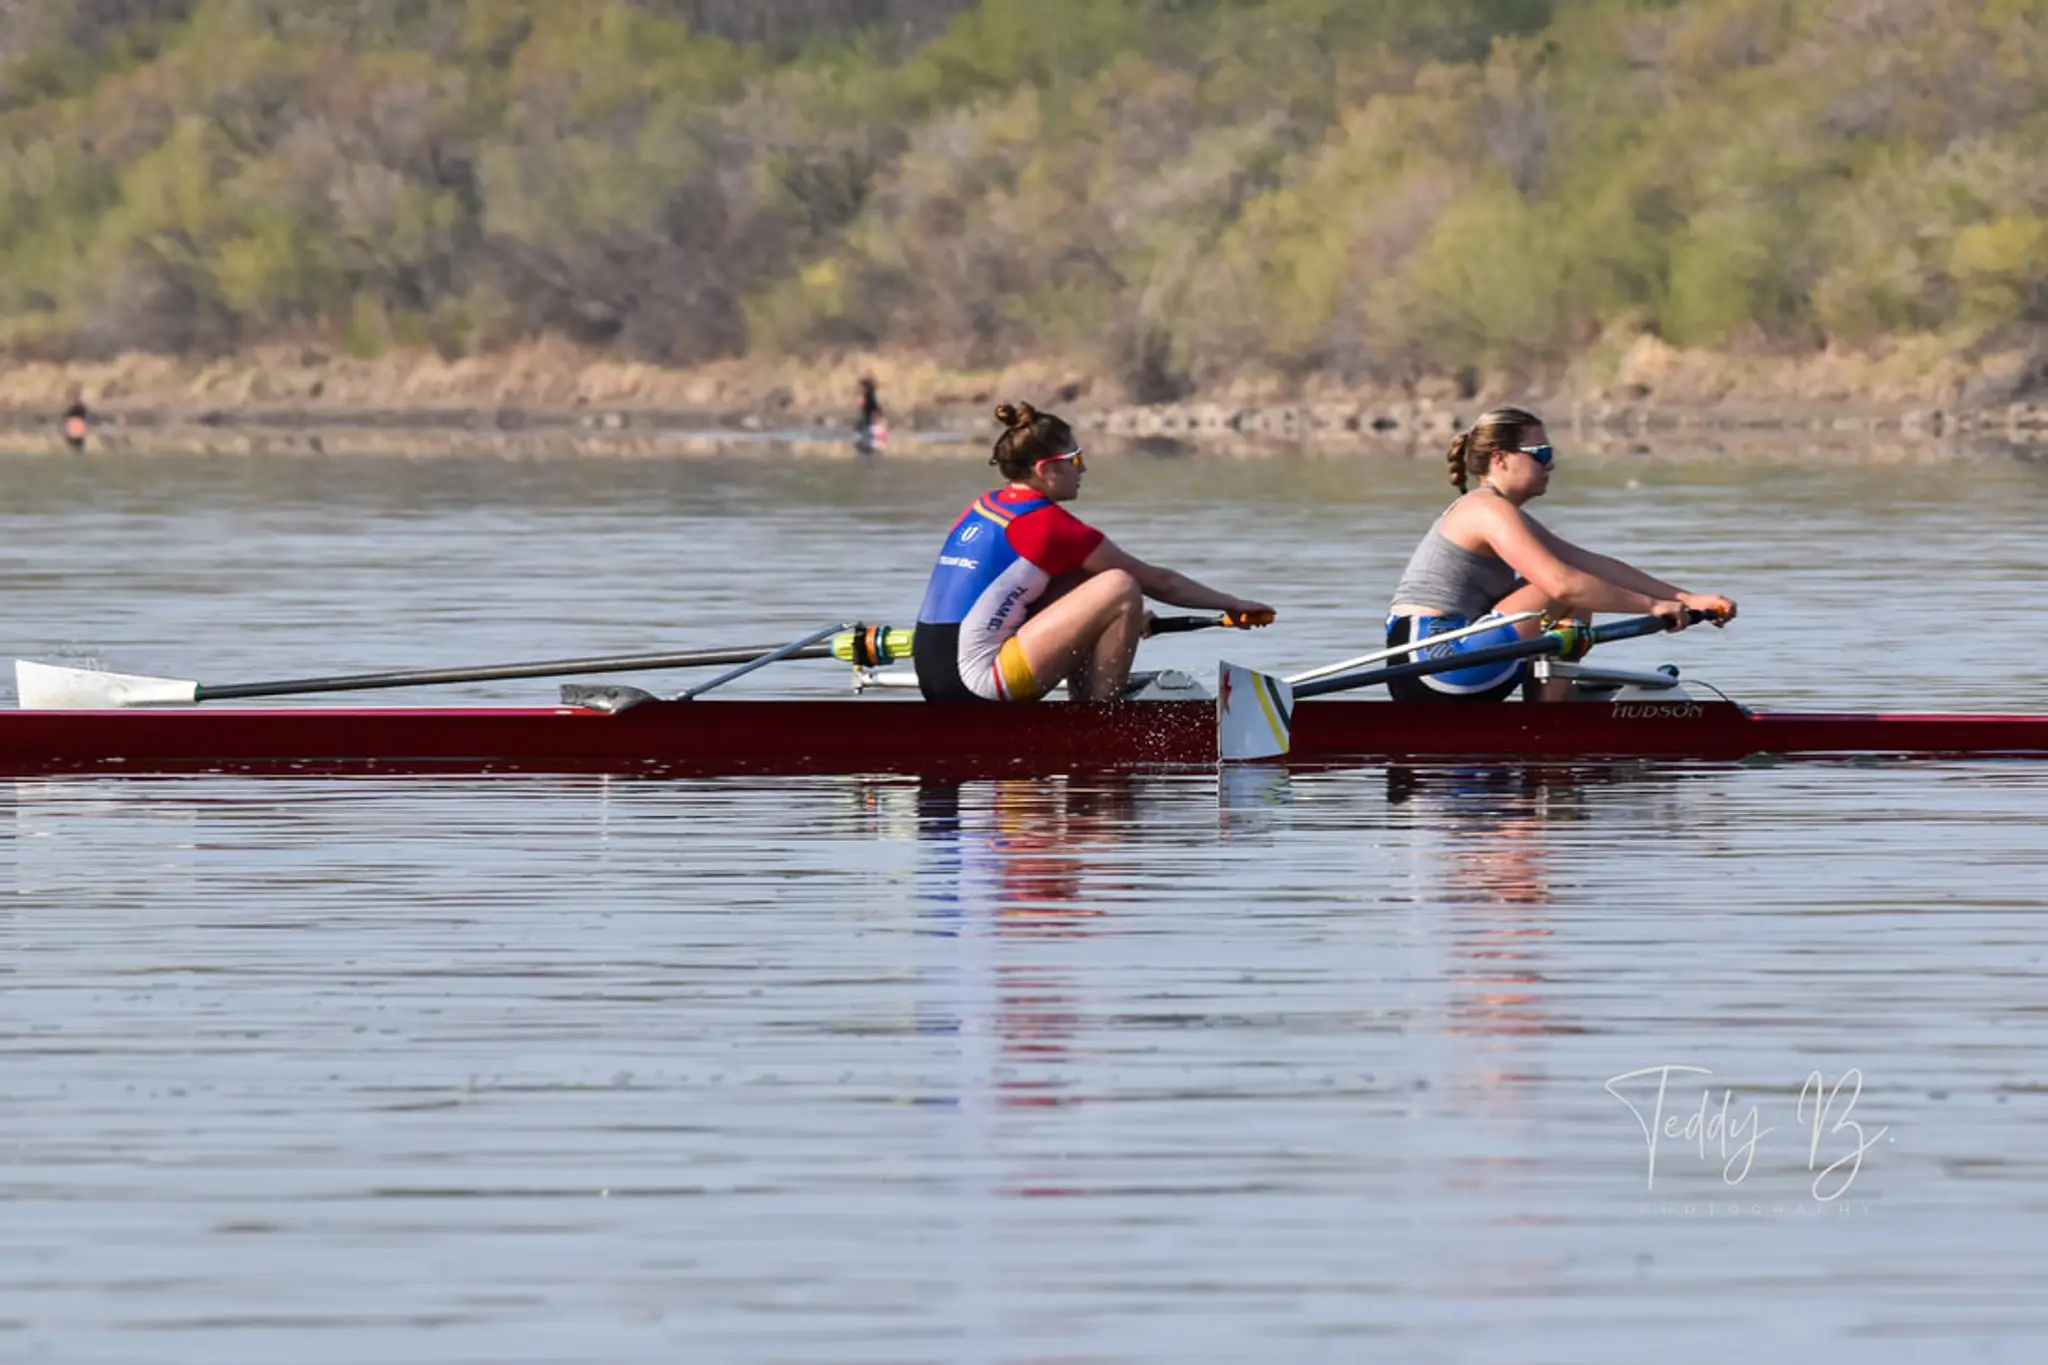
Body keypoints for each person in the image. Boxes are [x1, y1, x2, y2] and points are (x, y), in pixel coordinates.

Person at [914, 402, 1274, 704]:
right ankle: (1101, 718)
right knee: (1120, 586)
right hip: (978, 682)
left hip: (935, 673)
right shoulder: (1046, 524)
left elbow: (1015, 599)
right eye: (1074, 458)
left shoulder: (982, 507)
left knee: (1088, 583)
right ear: (1045, 469)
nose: (1082, 468)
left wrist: (1111, 622)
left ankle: (1090, 701)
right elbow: (1159, 582)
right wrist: (1233, 603)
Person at [1385, 406, 1737, 702]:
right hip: (1434, 663)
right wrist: (1651, 607)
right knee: (1567, 588)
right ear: (1500, 459)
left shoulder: (1501, 512)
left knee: (1579, 585)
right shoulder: (1486, 510)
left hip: (1436, 664)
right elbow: (1563, 585)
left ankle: (1556, 709)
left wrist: (1686, 598)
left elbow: (1596, 565)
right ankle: (1554, 716)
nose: (1551, 466)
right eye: (1542, 455)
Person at [855, 376, 887, 454]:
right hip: (869, 426)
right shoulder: (869, 397)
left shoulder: (869, 398)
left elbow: (874, 411)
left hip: (870, 427)